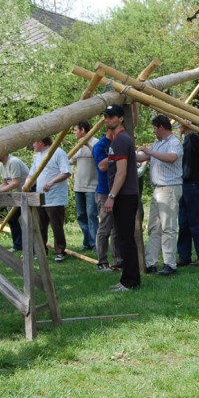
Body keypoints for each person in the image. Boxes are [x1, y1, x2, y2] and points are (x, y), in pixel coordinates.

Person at [137, 114, 183, 276]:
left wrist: (150, 151)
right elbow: (143, 157)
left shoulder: (174, 142)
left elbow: (172, 158)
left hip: (169, 188)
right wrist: (127, 153)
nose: (153, 131)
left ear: (161, 127)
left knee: (168, 227)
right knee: (154, 227)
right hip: (157, 189)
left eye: (155, 128)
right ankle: (151, 263)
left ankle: (170, 264)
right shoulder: (157, 144)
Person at [102, 104, 140, 292]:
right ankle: (127, 279)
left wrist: (111, 196)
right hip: (123, 195)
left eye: (111, 116)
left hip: (125, 196)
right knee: (123, 239)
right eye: (106, 117)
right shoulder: (117, 140)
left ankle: (131, 281)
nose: (107, 120)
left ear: (120, 118)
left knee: (126, 240)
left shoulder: (122, 140)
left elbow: (121, 172)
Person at [24, 136, 71, 262]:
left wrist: (51, 182)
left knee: (56, 226)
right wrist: (26, 184)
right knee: (40, 226)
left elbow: (66, 172)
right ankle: (41, 250)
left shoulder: (58, 152)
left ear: (41, 142)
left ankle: (60, 252)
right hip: (40, 197)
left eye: (34, 142)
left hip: (55, 197)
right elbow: (32, 174)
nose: (33, 145)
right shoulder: (37, 157)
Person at [0, 153, 30, 252]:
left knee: (27, 220)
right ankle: (18, 245)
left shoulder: (13, 162)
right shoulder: (1, 165)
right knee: (12, 218)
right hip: (18, 194)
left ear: (2, 152)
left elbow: (15, 183)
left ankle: (31, 248)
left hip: (29, 192)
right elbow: (5, 183)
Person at [92, 127, 122, 272]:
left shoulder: (119, 143)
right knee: (105, 228)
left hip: (118, 191)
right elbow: (102, 166)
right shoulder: (100, 146)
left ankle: (118, 261)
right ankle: (102, 262)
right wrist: (116, 155)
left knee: (117, 228)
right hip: (104, 193)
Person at [176, 119, 199, 267]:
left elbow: (198, 152)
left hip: (192, 184)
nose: (178, 126)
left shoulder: (194, 138)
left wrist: (191, 128)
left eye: (180, 123)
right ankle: (184, 256)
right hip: (184, 184)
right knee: (183, 222)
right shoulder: (186, 140)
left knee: (195, 221)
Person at [70, 121, 99, 251]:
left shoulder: (96, 143)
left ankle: (95, 243)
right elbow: (70, 160)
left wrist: (86, 144)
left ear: (83, 130)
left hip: (92, 186)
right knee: (81, 215)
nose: (74, 132)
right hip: (78, 187)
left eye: (76, 130)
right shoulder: (78, 145)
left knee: (92, 214)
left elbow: (100, 157)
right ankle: (87, 242)